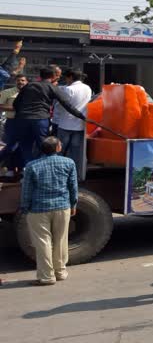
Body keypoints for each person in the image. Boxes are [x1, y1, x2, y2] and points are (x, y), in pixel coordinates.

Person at [19, 136, 77, 285]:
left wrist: (25, 208)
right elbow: (73, 186)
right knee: (61, 240)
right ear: (58, 148)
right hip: (62, 207)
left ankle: (46, 276)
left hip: (38, 208)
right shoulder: (69, 163)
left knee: (43, 243)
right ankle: (60, 272)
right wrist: (73, 204)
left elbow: (26, 190)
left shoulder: (32, 166)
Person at [12, 67, 85, 167]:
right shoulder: (52, 87)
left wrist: (21, 114)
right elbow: (67, 105)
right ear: (53, 76)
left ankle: (27, 169)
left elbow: (16, 103)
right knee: (44, 146)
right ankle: (41, 169)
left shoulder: (29, 85)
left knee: (25, 145)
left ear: (40, 76)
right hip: (40, 119)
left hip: (23, 119)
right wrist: (82, 116)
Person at [53, 70, 92, 179]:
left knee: (59, 150)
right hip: (80, 125)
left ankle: (58, 174)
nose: (65, 80)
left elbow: (61, 106)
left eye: (66, 77)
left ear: (70, 77)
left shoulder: (68, 89)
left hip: (65, 124)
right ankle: (74, 175)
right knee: (76, 153)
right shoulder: (87, 88)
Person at [0, 74, 28, 177]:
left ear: (27, 82)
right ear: (15, 81)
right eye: (18, 80)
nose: (20, 82)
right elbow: (0, 105)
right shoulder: (7, 92)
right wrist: (15, 108)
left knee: (21, 146)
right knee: (11, 147)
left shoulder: (31, 93)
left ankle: (20, 169)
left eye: (23, 80)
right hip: (12, 122)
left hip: (25, 122)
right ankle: (10, 169)